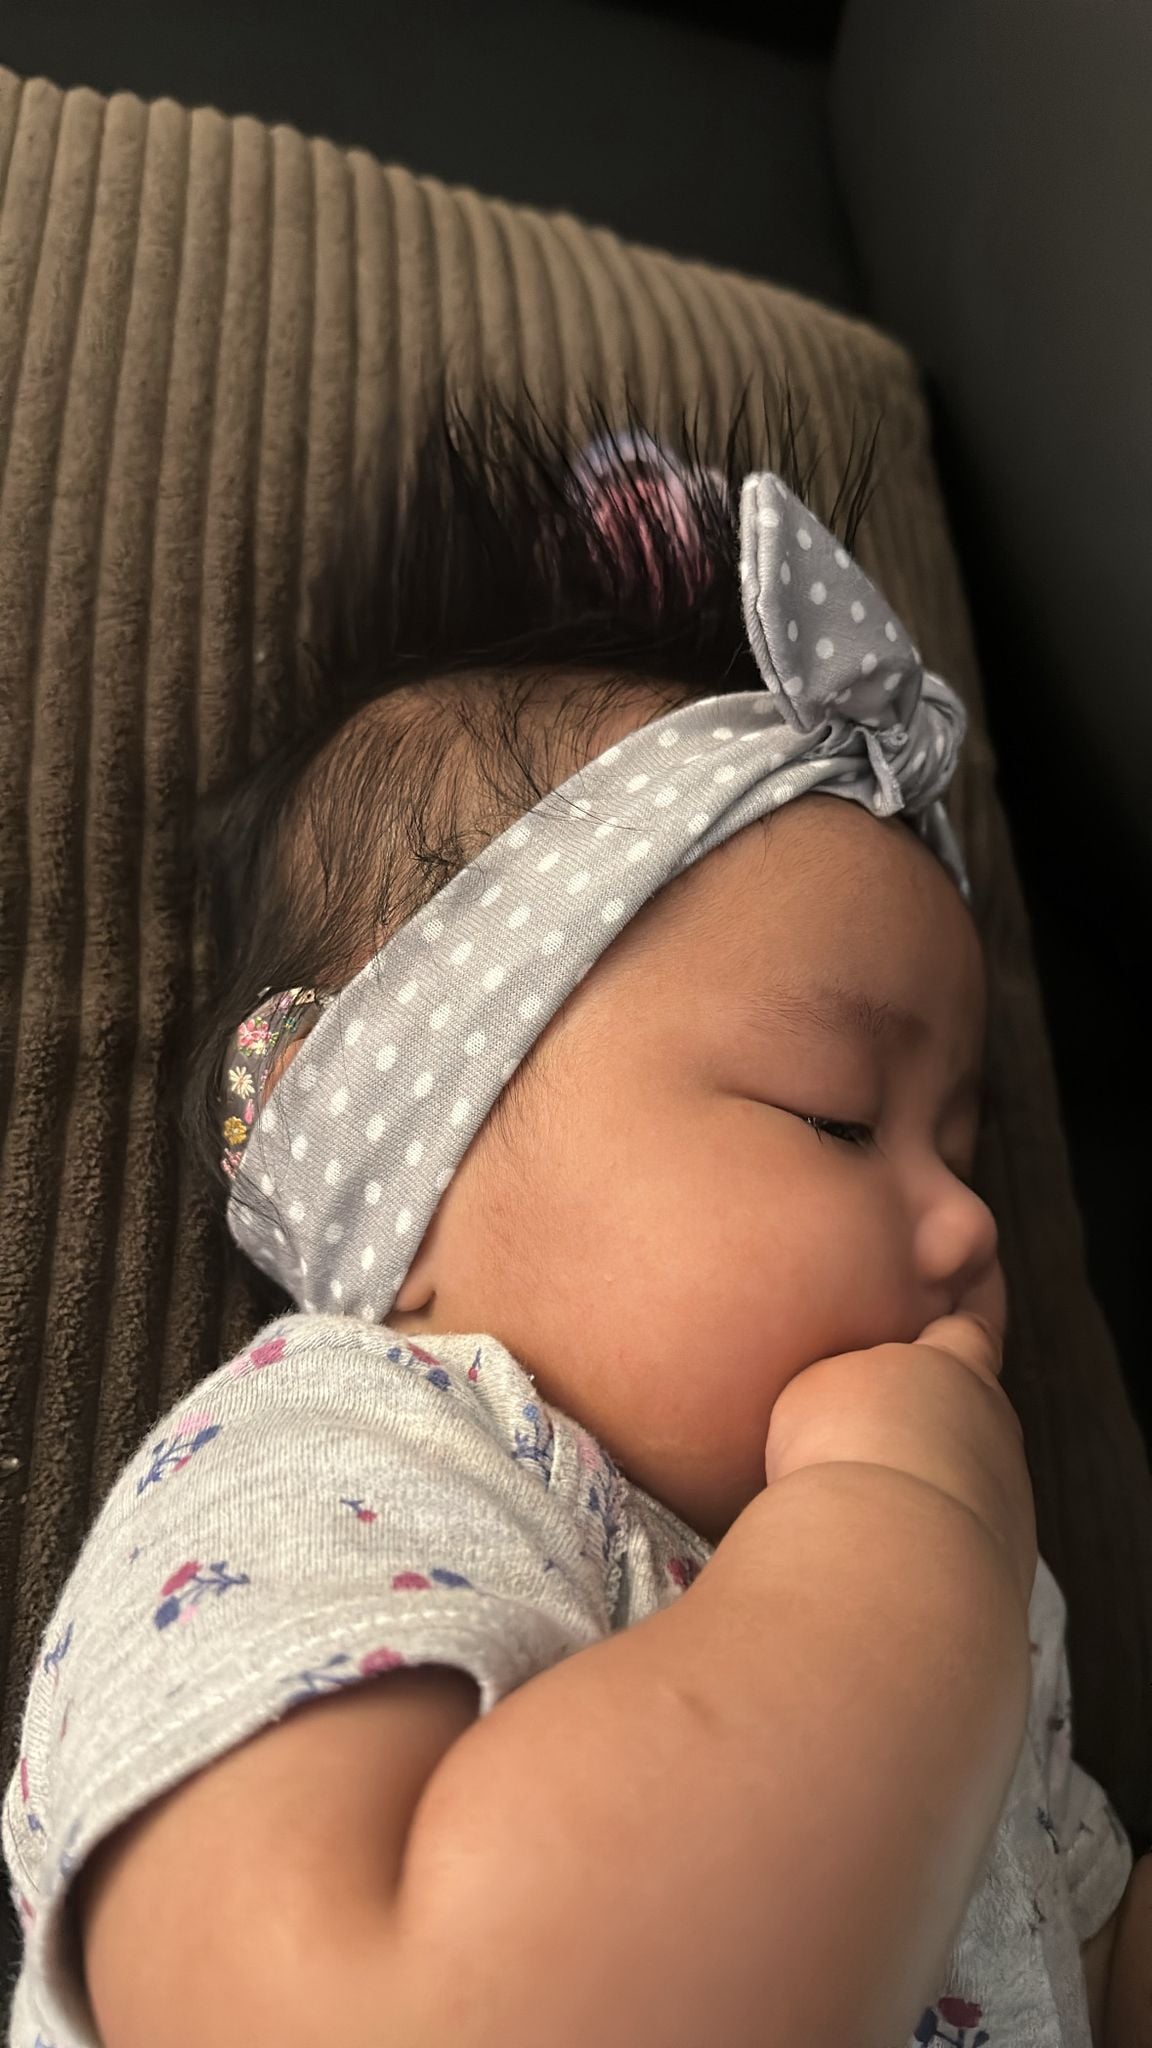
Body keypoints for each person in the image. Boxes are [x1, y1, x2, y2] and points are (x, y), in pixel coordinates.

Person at [1, 391, 1137, 2046]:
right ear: (409, 1159)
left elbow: (1073, 1971)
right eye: (837, 1113)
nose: (968, 1225)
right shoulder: (336, 1465)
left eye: (963, 1150)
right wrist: (901, 1532)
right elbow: (380, 2007)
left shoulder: (985, 1608)